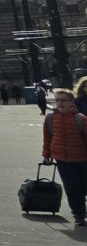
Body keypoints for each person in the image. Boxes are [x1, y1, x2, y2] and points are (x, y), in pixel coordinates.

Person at [43, 87, 87, 227]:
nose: (60, 103)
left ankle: (81, 207)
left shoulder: (81, 119)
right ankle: (79, 214)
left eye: (63, 100)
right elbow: (47, 138)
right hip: (62, 158)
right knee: (71, 187)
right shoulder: (50, 118)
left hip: (82, 159)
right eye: (57, 100)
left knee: (83, 186)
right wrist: (46, 155)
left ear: (71, 102)